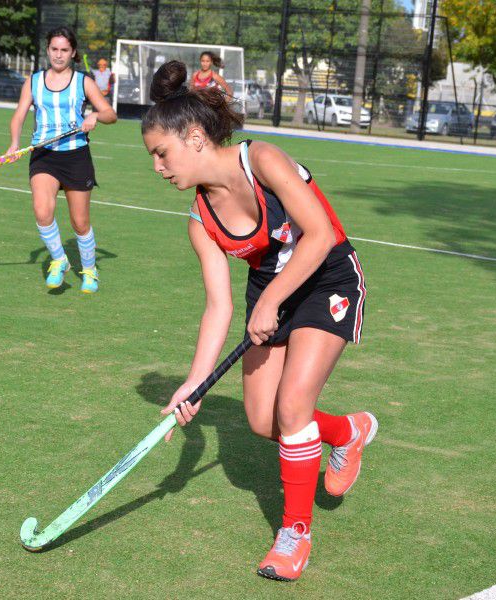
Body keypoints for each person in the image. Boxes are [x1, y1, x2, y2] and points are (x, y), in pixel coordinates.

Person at [142, 60, 376, 582]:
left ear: (196, 137)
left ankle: (294, 535)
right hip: (270, 292)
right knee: (262, 421)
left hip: (326, 277)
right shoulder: (201, 220)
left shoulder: (263, 159)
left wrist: (271, 300)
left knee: (293, 406)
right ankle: (346, 433)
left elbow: (319, 235)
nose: (158, 168)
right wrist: (195, 386)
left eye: (162, 154)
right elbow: (218, 307)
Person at [7, 26, 116, 293]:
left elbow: (110, 114)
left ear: (73, 52)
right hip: (43, 155)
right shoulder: (33, 81)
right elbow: (20, 114)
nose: (58, 55)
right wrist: (14, 143)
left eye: (64, 50)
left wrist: (94, 116)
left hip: (75, 155)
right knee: (42, 211)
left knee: (80, 222)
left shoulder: (83, 82)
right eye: (54, 49)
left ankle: (89, 269)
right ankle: (59, 259)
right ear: (48, 50)